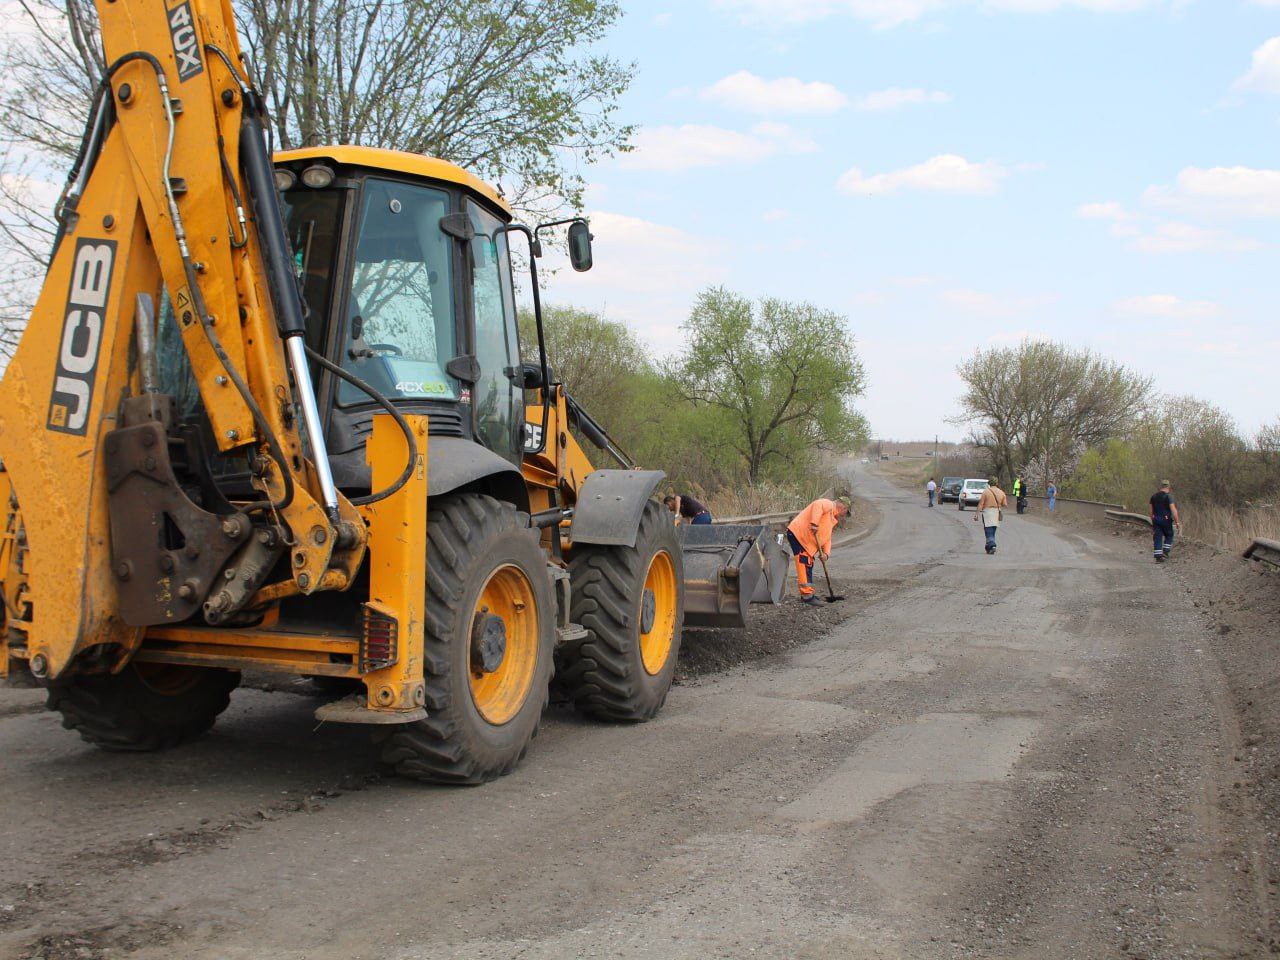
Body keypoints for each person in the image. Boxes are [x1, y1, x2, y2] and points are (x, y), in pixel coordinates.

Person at [786, 496, 851, 604]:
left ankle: (808, 593)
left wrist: (826, 554)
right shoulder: (829, 505)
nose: (844, 514)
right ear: (843, 507)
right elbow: (817, 505)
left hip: (806, 542)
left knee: (808, 564)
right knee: (804, 563)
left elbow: (827, 538)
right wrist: (814, 523)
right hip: (799, 535)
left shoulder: (831, 519)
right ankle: (807, 596)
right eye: (845, 511)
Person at [974, 478, 1008, 555]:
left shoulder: (986, 492)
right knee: (992, 530)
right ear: (997, 483)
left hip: (987, 512)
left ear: (989, 484)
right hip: (996, 512)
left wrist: (977, 514)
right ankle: (989, 547)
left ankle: (992, 545)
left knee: (988, 530)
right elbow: (1005, 505)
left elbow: (981, 504)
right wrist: (999, 503)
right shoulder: (1001, 492)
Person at [1149, 480, 1181, 563]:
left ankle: (1158, 557)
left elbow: (1151, 512)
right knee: (1169, 534)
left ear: (1161, 486)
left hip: (1156, 520)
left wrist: (1153, 522)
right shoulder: (1168, 497)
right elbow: (1173, 510)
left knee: (1158, 537)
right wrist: (1177, 522)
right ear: (1168, 487)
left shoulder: (1153, 496)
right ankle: (1166, 552)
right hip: (1166, 520)